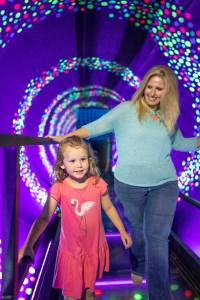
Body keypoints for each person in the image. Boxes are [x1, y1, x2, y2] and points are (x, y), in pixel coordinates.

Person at [46, 65, 200, 300]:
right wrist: (64, 137)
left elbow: (180, 143)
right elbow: (96, 128)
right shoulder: (126, 110)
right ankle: (138, 264)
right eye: (150, 86)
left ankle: (159, 296)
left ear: (167, 92)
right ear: (144, 86)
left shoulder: (169, 117)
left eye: (159, 89)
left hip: (164, 184)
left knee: (157, 239)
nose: (153, 92)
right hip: (129, 186)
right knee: (138, 232)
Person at [18, 136, 132, 300]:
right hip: (70, 253)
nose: (79, 165)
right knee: (71, 294)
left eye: (82, 159)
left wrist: (122, 231)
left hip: (93, 251)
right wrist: (28, 245)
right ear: (62, 164)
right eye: (72, 161)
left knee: (89, 292)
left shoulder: (97, 184)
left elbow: (108, 207)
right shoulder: (59, 188)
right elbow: (44, 217)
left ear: (89, 160)